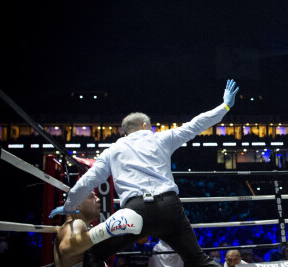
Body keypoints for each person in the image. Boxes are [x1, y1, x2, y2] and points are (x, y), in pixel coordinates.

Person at [50, 79, 239, 267]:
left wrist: (69, 205)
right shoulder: (160, 138)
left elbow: (88, 181)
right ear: (145, 126)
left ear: (125, 133)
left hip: (135, 211)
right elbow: (195, 125)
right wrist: (225, 106)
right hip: (169, 207)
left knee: (94, 255)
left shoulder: (112, 150)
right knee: (198, 260)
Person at [53, 192, 143, 267]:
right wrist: (106, 230)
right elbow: (65, 248)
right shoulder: (76, 223)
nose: (98, 199)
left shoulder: (69, 225)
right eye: (91, 197)